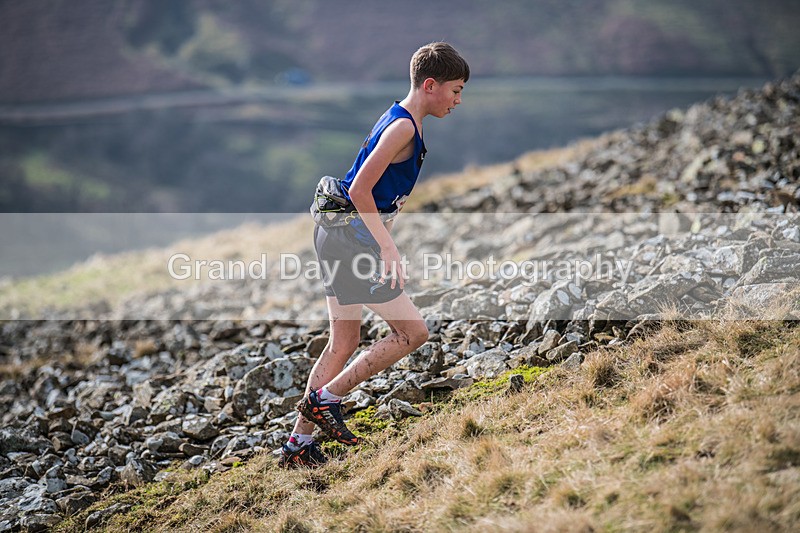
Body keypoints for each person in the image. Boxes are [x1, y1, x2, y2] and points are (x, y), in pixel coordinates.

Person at [279, 42, 469, 468]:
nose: (459, 100)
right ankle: (327, 400)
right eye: (455, 90)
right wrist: (387, 246)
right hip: (353, 242)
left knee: (343, 341)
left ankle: (297, 447)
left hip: (335, 236)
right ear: (431, 85)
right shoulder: (403, 128)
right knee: (413, 333)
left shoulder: (401, 119)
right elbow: (360, 189)